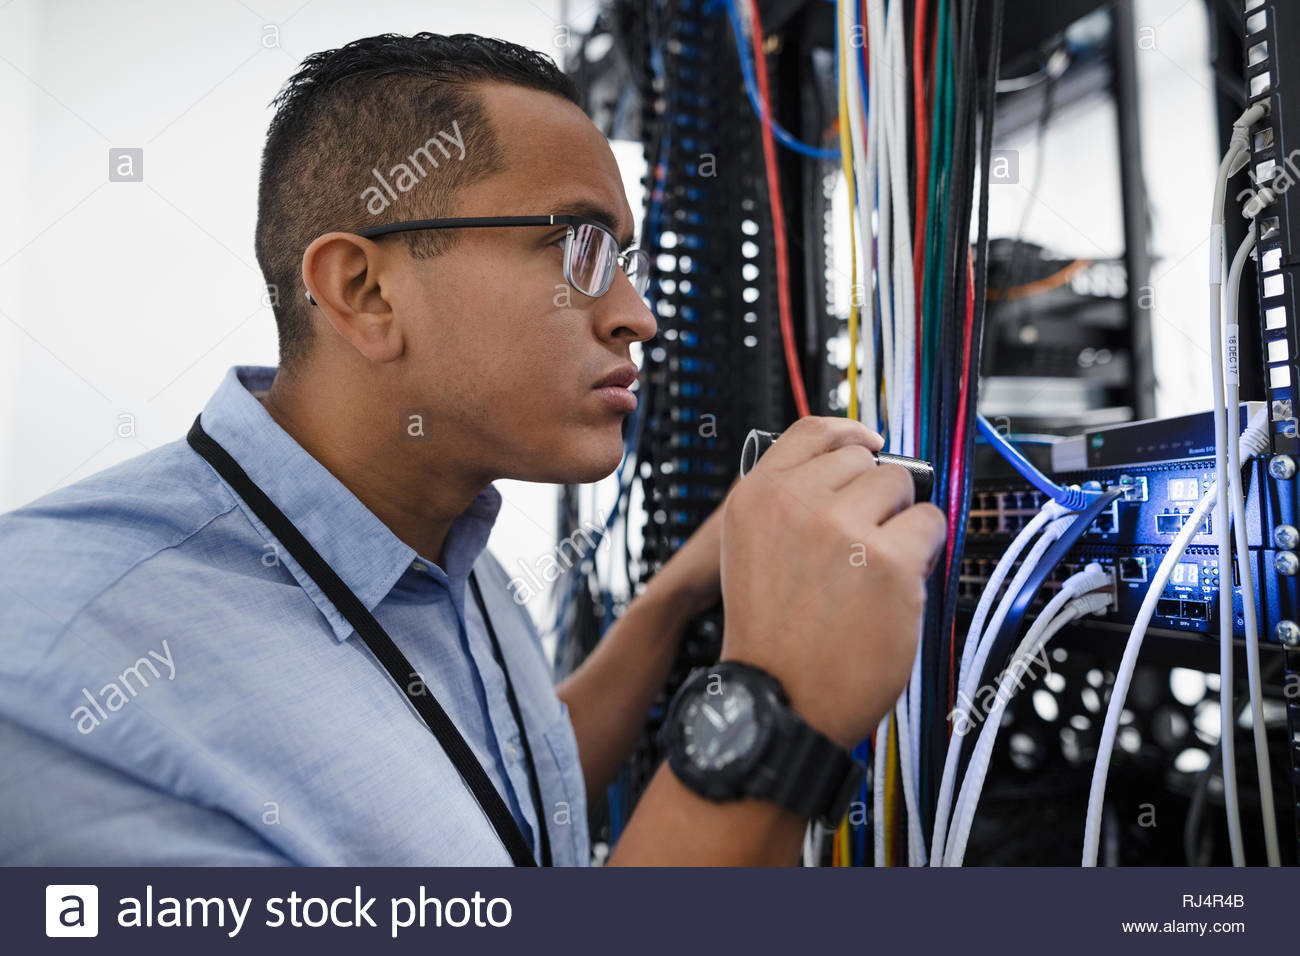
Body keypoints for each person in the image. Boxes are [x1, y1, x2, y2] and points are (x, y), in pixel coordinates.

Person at [0, 33, 945, 865]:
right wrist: (770, 713)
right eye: (580, 247)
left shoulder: (445, 548)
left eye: (625, 257)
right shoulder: (53, 661)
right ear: (364, 290)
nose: (638, 317)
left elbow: (500, 801)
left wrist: (679, 595)